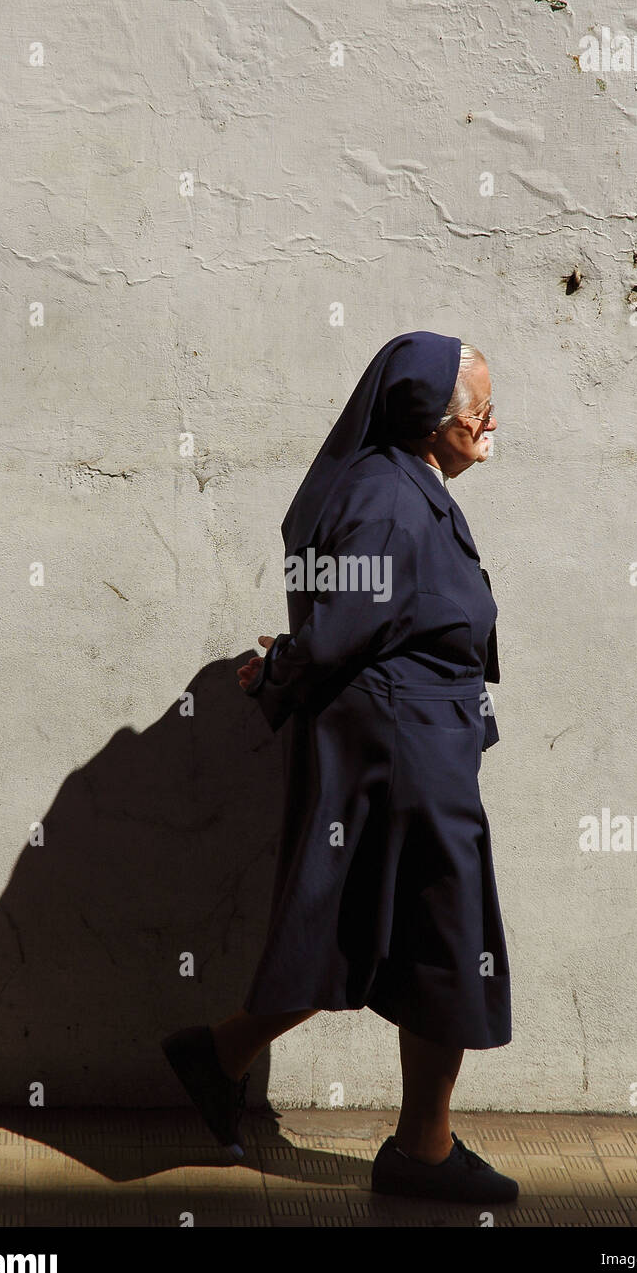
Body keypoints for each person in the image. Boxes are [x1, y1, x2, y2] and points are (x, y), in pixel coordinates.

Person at [162, 331, 519, 1204]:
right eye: (478, 405)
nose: (491, 419)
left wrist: (291, 661)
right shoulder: (391, 499)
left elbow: (364, 620)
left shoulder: (408, 490)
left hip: (419, 748)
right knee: (444, 941)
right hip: (406, 757)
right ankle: (421, 1153)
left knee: (375, 929)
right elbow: (340, 628)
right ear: (427, 417)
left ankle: (222, 1054)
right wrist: (286, 667)